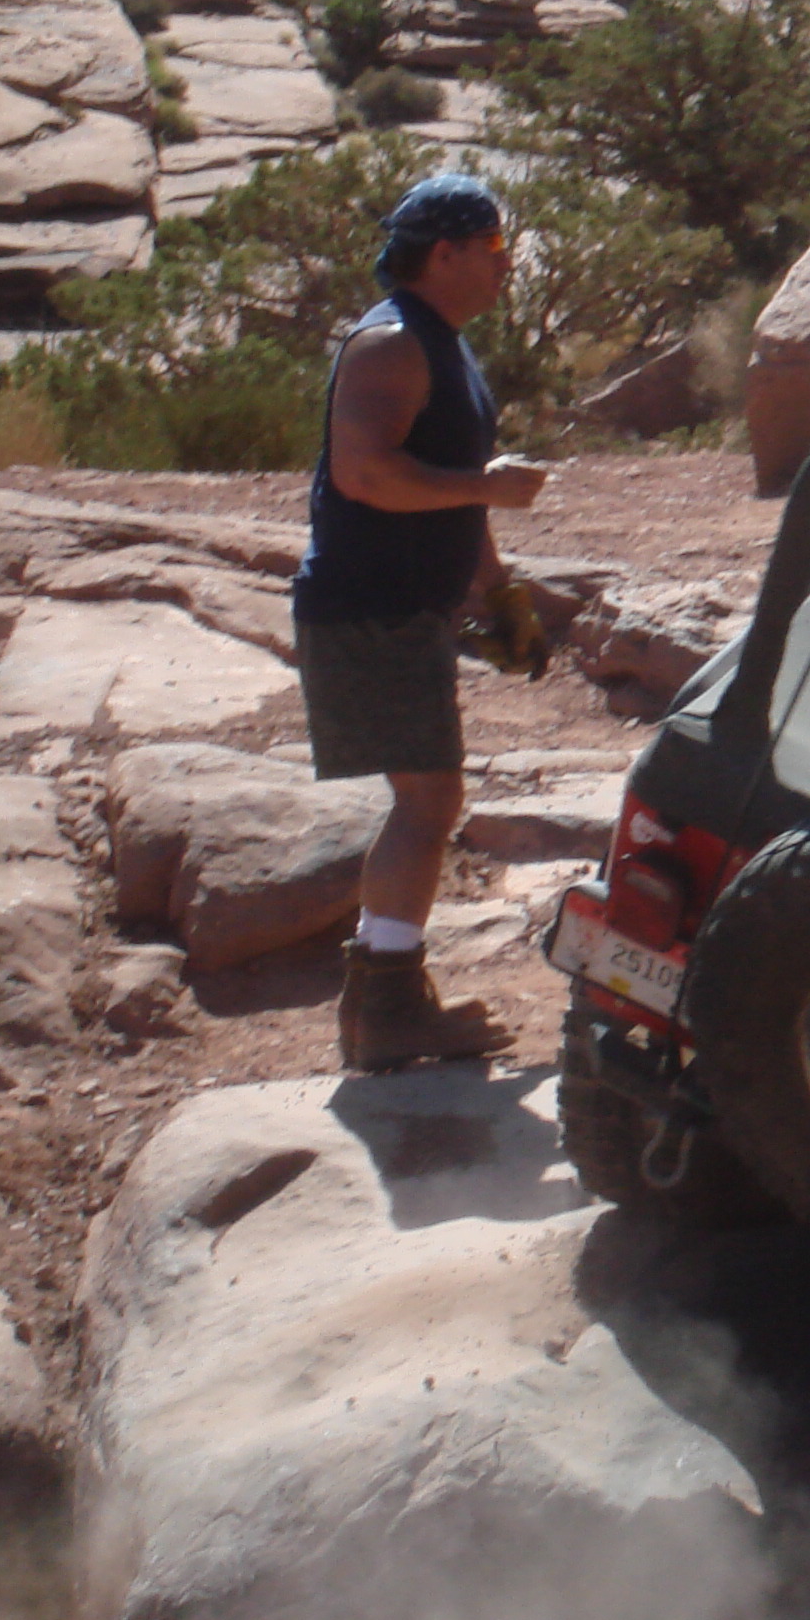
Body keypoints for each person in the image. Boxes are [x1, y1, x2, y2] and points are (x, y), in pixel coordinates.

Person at [291, 171, 553, 1071]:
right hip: (370, 608)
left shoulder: (439, 343)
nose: (506, 266)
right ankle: (389, 1007)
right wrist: (488, 486)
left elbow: (451, 494)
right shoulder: (391, 345)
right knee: (427, 802)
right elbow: (365, 474)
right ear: (444, 253)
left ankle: (382, 1002)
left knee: (427, 801)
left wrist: (499, 591)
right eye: (494, 249)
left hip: (403, 609)